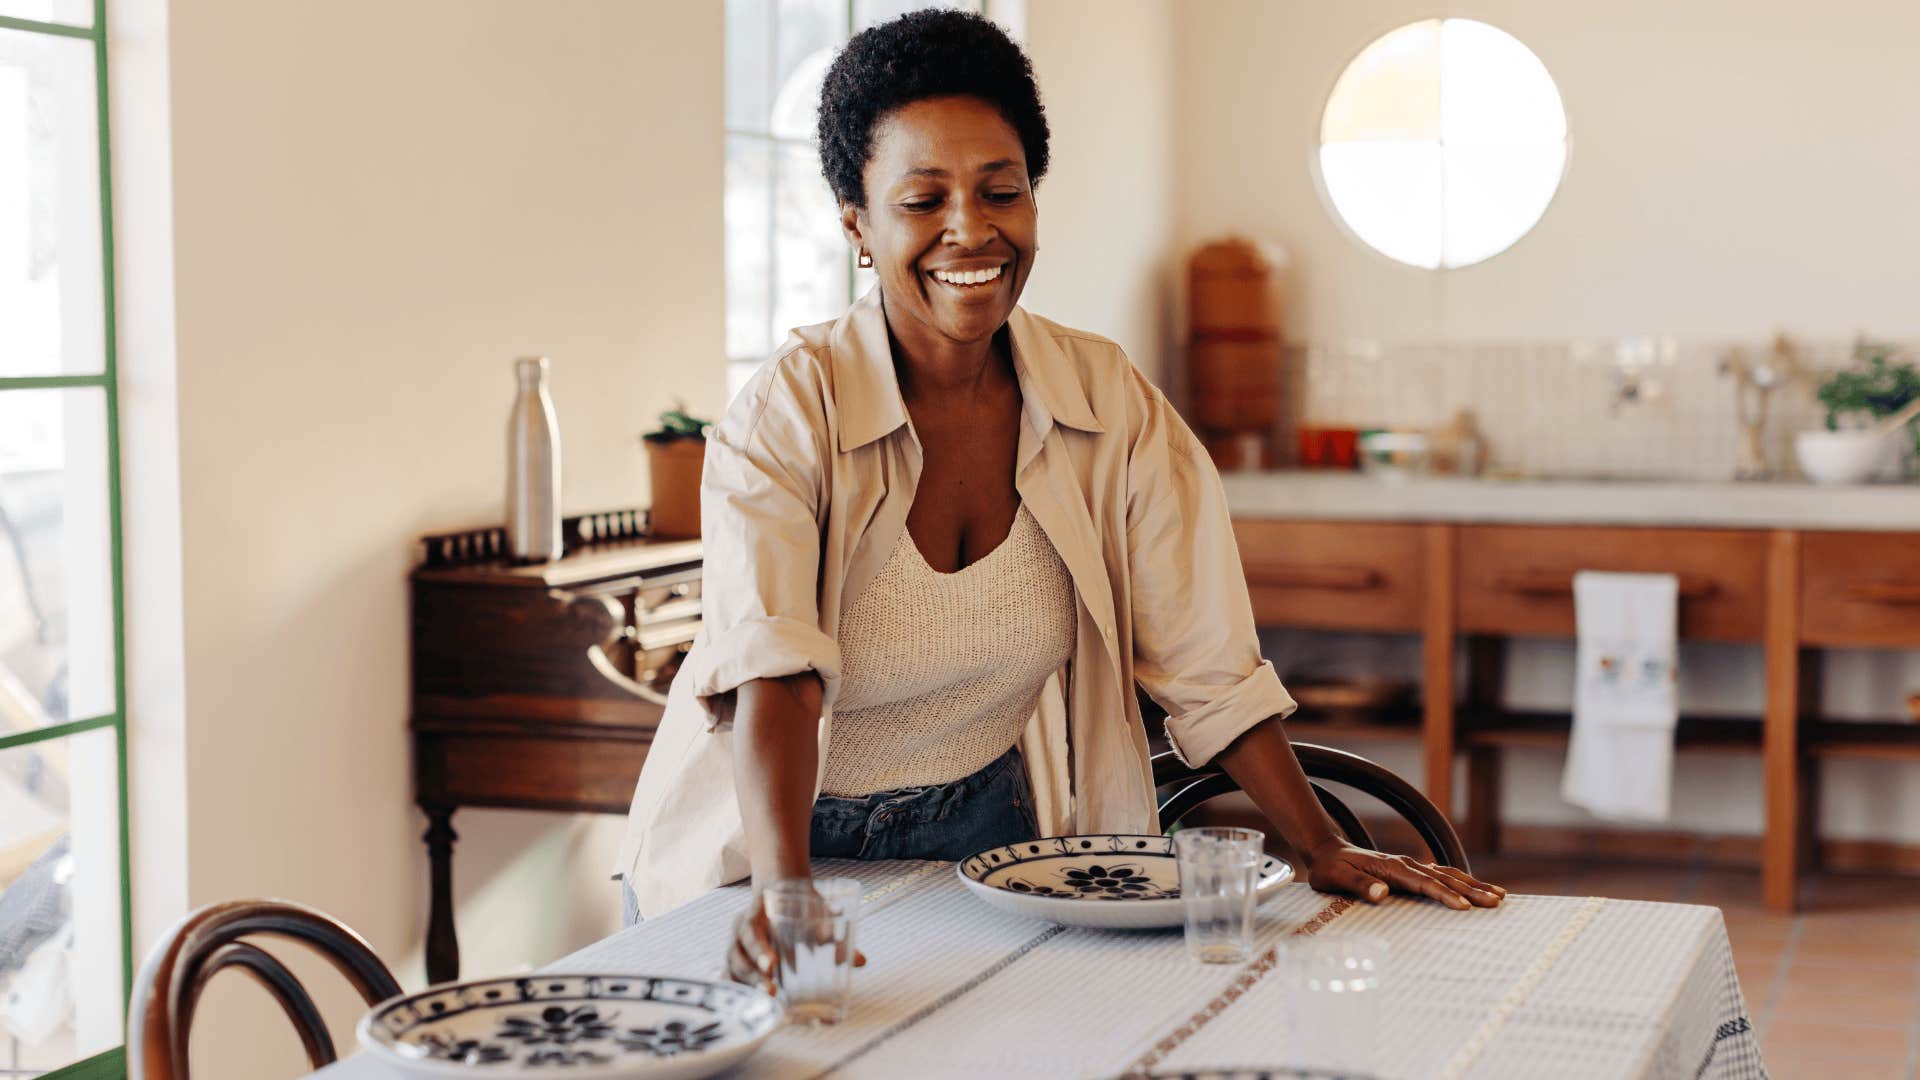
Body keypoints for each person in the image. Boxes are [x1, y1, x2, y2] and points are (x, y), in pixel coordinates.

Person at [614, 8, 1503, 988]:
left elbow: (1209, 669)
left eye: (1003, 190)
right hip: (761, 847)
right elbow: (773, 672)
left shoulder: (1106, 402)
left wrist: (1319, 844)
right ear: (856, 219)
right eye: (922, 199)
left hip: (982, 846)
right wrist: (785, 891)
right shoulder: (792, 407)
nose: (972, 228)